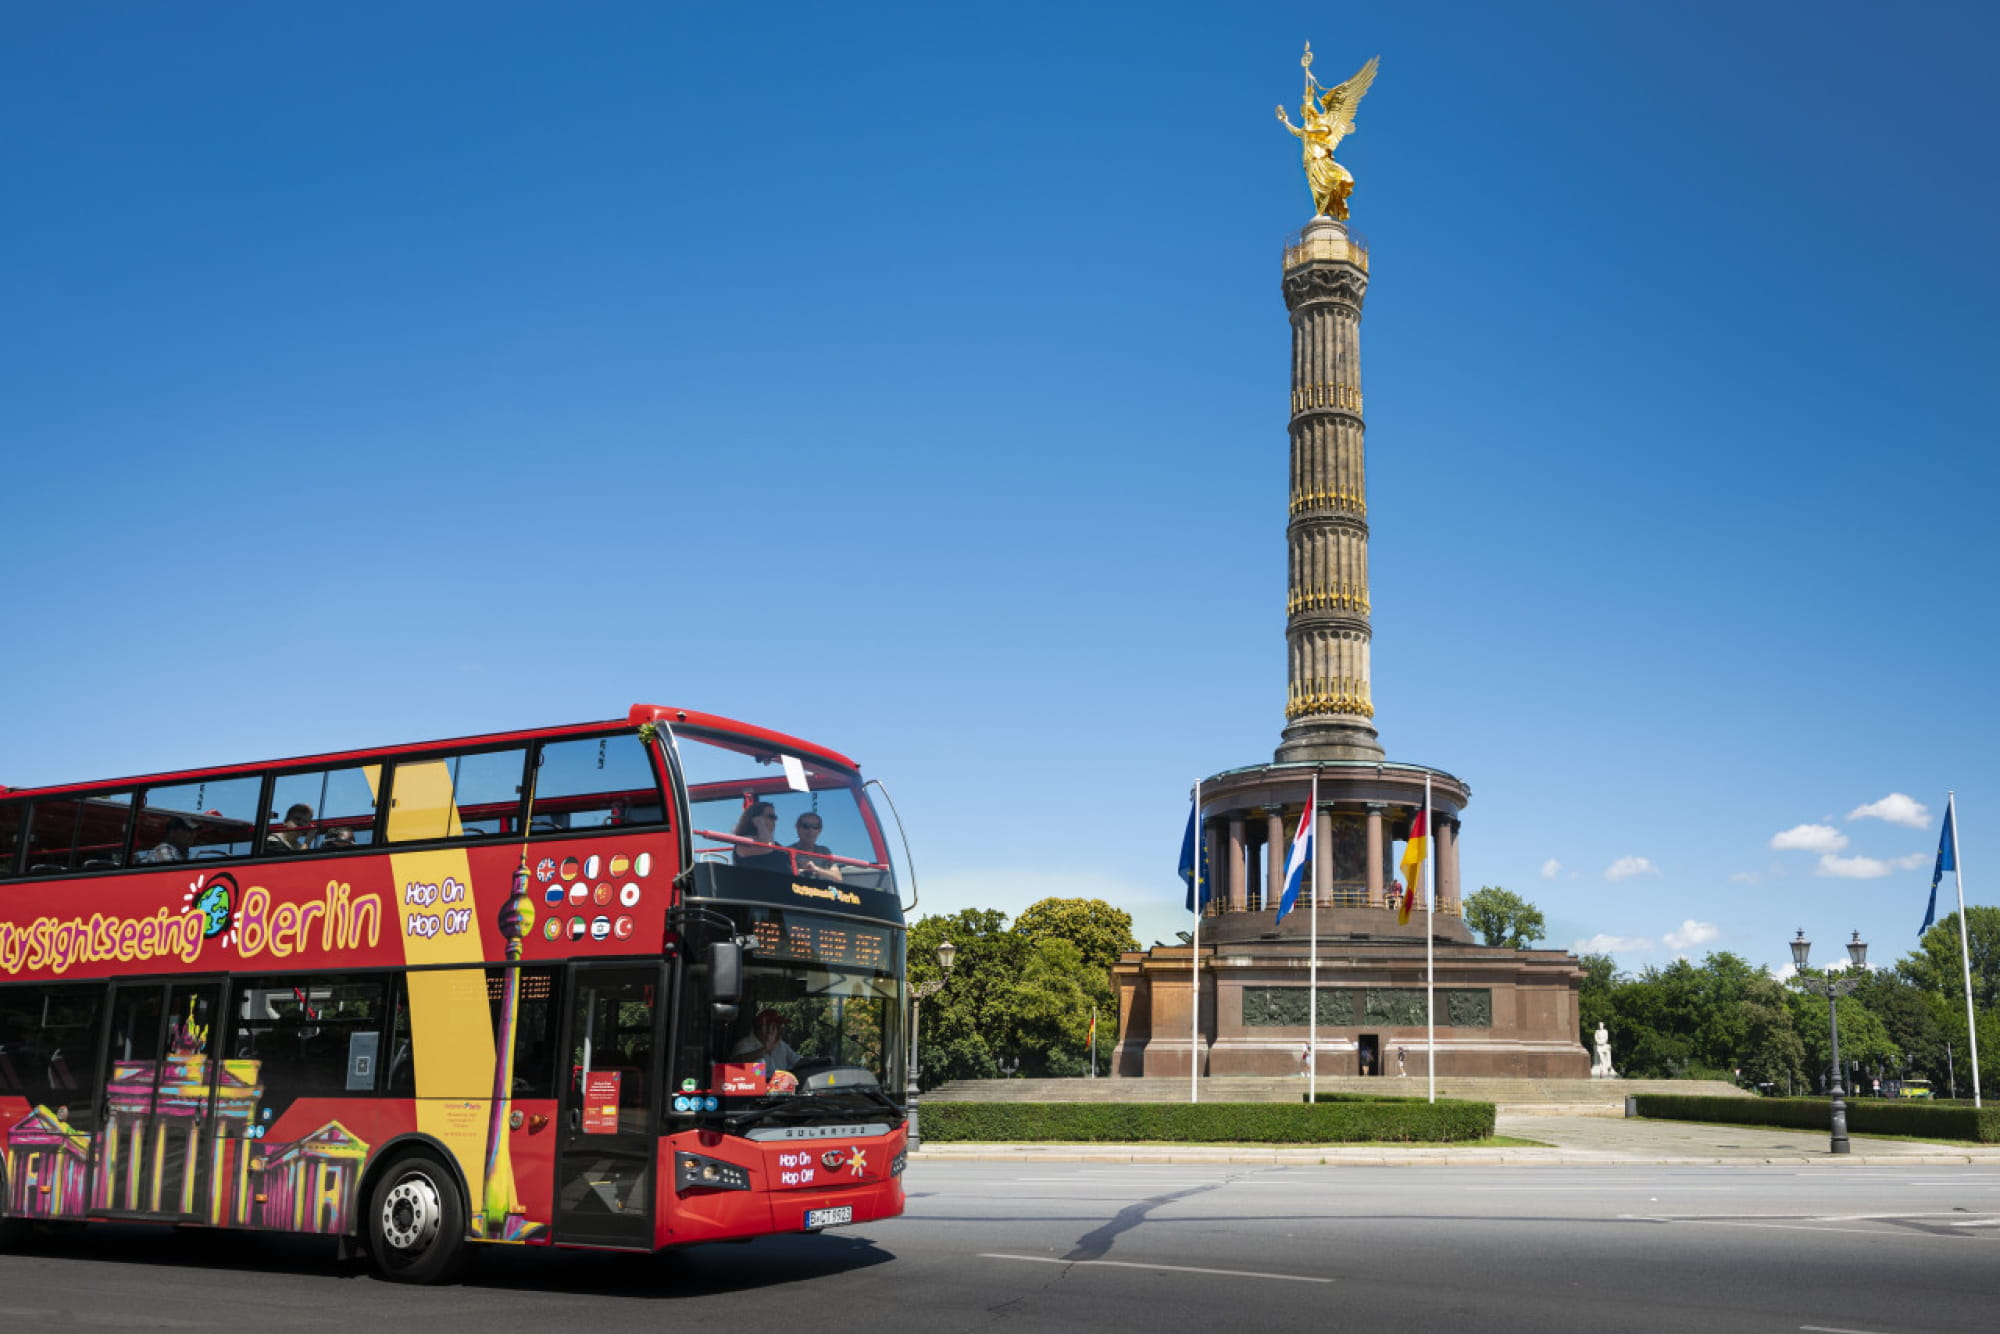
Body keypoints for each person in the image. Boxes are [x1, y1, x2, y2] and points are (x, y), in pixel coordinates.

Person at [731, 1008, 801, 1073]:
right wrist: (765, 1050)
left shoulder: (780, 1044)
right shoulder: (744, 1044)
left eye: (781, 1026)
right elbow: (734, 1065)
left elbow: (798, 1061)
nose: (781, 1030)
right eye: (775, 1026)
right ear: (762, 1028)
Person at [731, 802, 791, 872]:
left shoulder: (776, 844)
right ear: (756, 818)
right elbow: (767, 848)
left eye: (775, 817)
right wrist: (760, 824)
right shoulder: (744, 842)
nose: (774, 820)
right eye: (771, 817)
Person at [788, 813, 843, 880]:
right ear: (797, 828)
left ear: (819, 830)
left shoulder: (825, 851)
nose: (811, 831)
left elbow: (838, 878)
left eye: (815, 827)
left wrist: (815, 869)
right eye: (806, 826)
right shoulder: (787, 852)